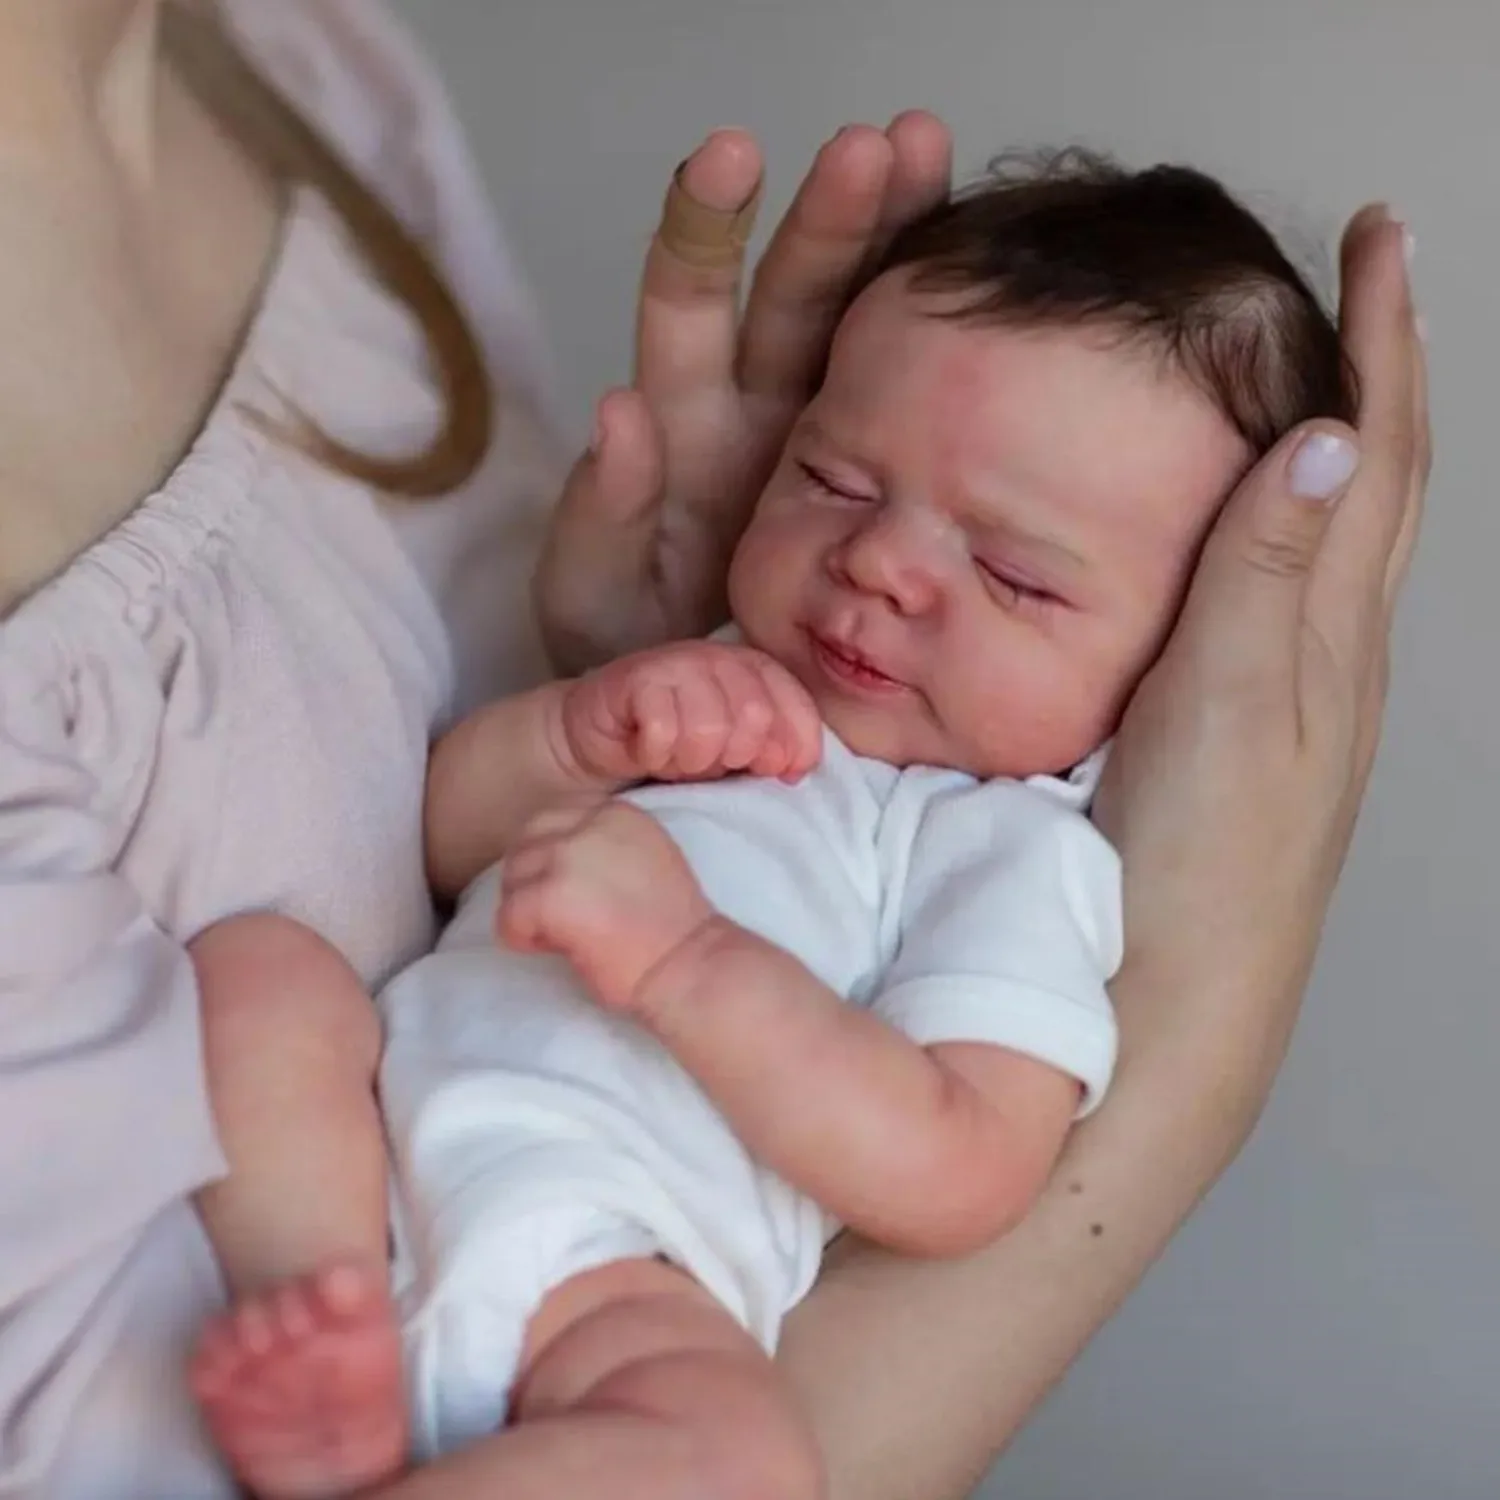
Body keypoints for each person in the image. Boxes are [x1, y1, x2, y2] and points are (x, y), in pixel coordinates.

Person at [0, 2, 1426, 1499]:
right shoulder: (722, 681)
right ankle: (321, 1334)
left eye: (1012, 577)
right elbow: (437, 832)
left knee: (737, 1461)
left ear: (1175, 649)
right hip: (362, 1153)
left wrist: (687, 969)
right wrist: (569, 733)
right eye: (834, 478)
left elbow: (963, 1165)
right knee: (261, 980)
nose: (881, 567)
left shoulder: (1005, 851)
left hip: (622, 1289)